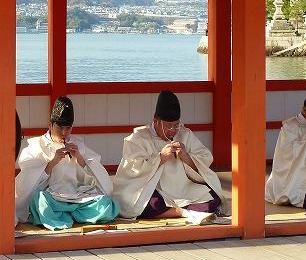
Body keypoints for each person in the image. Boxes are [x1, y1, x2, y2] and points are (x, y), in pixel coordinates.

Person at [113, 90, 228, 224]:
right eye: (168, 126)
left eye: (176, 125)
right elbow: (132, 168)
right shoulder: (137, 138)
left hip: (183, 189)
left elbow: (205, 158)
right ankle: (180, 212)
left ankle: (173, 211)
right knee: (141, 203)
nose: (173, 130)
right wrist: (160, 158)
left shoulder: (185, 134)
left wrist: (186, 157)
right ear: (156, 121)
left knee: (214, 196)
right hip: (154, 189)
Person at [15, 96, 119, 230]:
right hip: (52, 198)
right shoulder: (37, 146)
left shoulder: (77, 144)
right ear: (50, 125)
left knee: (107, 204)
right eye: (59, 128)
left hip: (76, 197)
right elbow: (26, 184)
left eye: (68, 128)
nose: (64, 133)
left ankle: (65, 215)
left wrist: (80, 159)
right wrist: (52, 163)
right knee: (39, 201)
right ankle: (71, 216)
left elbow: (98, 179)